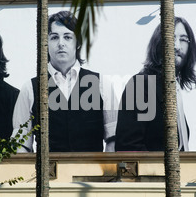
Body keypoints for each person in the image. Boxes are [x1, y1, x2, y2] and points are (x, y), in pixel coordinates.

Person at [11, 10, 117, 152]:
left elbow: (113, 139)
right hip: (47, 173)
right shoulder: (30, 88)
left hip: (90, 173)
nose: (61, 43)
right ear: (45, 43)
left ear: (78, 42)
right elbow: (21, 144)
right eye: (54, 38)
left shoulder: (102, 84)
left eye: (68, 37)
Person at [115, 16, 196, 151]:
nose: (177, 46)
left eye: (183, 40)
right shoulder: (140, 85)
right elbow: (129, 147)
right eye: (171, 38)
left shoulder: (174, 90)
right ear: (158, 43)